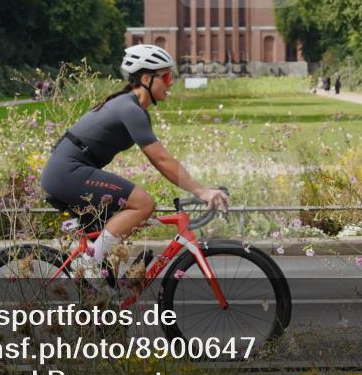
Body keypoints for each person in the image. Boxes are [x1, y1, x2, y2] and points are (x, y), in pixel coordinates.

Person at [40, 44, 228, 279]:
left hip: (68, 172)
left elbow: (161, 159)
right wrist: (202, 191)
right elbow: (161, 160)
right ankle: (87, 263)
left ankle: (97, 288)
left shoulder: (133, 108)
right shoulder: (129, 109)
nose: (171, 83)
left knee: (113, 247)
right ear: (147, 79)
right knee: (143, 204)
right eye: (166, 76)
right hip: (67, 172)